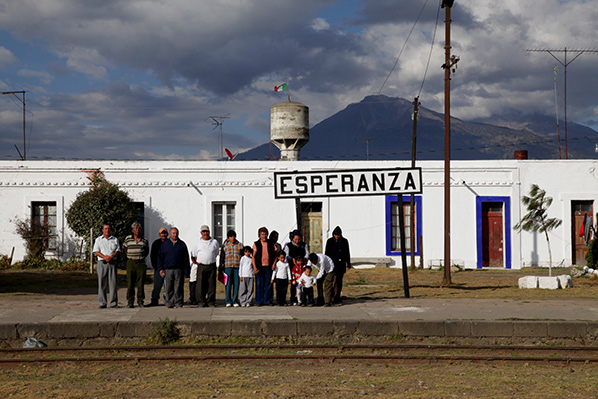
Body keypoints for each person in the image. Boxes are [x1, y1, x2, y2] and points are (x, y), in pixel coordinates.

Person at [158, 227, 189, 308]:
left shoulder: (182, 244)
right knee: (169, 287)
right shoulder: (165, 245)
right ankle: (169, 303)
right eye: (173, 233)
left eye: (176, 233)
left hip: (179, 269)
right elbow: (160, 257)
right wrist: (161, 268)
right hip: (168, 269)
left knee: (178, 286)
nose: (175, 235)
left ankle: (178, 303)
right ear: (170, 234)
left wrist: (186, 271)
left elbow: (186, 258)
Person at [93, 224, 120, 309]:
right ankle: (102, 303)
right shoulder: (98, 240)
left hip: (112, 263)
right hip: (102, 263)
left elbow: (118, 250)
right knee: (102, 283)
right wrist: (105, 257)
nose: (107, 230)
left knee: (113, 283)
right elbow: (96, 251)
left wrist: (111, 256)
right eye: (105, 229)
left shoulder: (115, 239)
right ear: (102, 230)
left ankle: (113, 302)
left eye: (108, 228)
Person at [192, 225, 220, 307]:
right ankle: (201, 301)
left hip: (211, 265)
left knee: (211, 285)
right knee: (200, 285)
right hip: (201, 266)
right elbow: (194, 254)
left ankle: (211, 301)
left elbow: (216, 252)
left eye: (207, 231)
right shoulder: (197, 242)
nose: (205, 233)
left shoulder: (214, 242)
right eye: (203, 232)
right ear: (201, 233)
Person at [123, 222, 149, 308]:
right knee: (130, 283)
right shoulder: (128, 239)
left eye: (139, 229)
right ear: (132, 230)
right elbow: (125, 249)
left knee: (140, 283)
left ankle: (140, 301)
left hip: (141, 263)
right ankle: (130, 301)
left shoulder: (144, 240)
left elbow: (146, 251)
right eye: (135, 229)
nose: (137, 230)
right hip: (131, 262)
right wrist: (130, 255)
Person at [325, 226, 351, 304]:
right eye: (336, 235)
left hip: (341, 264)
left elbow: (347, 253)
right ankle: (331, 296)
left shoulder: (344, 241)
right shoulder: (330, 241)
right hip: (332, 264)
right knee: (332, 281)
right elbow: (327, 253)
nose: (337, 237)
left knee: (339, 281)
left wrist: (348, 264)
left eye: (338, 235)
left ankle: (337, 296)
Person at [252, 226, 277, 306]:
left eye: (265, 234)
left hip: (269, 267)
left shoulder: (271, 243)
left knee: (269, 284)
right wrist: (255, 267)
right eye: (262, 234)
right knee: (259, 284)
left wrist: (274, 264)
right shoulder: (256, 244)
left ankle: (268, 301)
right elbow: (253, 256)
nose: (264, 236)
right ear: (259, 235)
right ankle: (259, 301)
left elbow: (276, 255)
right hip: (260, 267)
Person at [283, 230, 308, 305]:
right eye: (296, 239)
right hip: (293, 267)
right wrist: (292, 258)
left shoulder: (303, 245)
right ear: (292, 239)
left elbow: (307, 254)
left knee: (302, 282)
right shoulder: (288, 246)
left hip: (302, 267)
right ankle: (293, 298)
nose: (297, 241)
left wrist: (304, 258)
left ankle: (302, 298)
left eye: (299, 239)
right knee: (294, 283)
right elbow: (286, 255)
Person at [220, 230, 243, 307]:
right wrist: (221, 267)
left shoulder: (240, 245)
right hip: (228, 267)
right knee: (228, 284)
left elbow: (243, 257)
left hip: (237, 267)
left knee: (236, 284)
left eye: (233, 236)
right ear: (228, 238)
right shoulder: (225, 245)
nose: (232, 238)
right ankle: (228, 301)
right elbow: (222, 257)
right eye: (230, 236)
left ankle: (235, 300)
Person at [149, 227, 169, 306]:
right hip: (158, 268)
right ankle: (154, 300)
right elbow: (152, 256)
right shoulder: (156, 243)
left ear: (167, 234)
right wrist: (156, 267)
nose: (163, 235)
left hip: (168, 268)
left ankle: (168, 300)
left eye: (165, 233)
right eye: (162, 233)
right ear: (159, 234)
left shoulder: (169, 243)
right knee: (157, 285)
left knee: (168, 286)